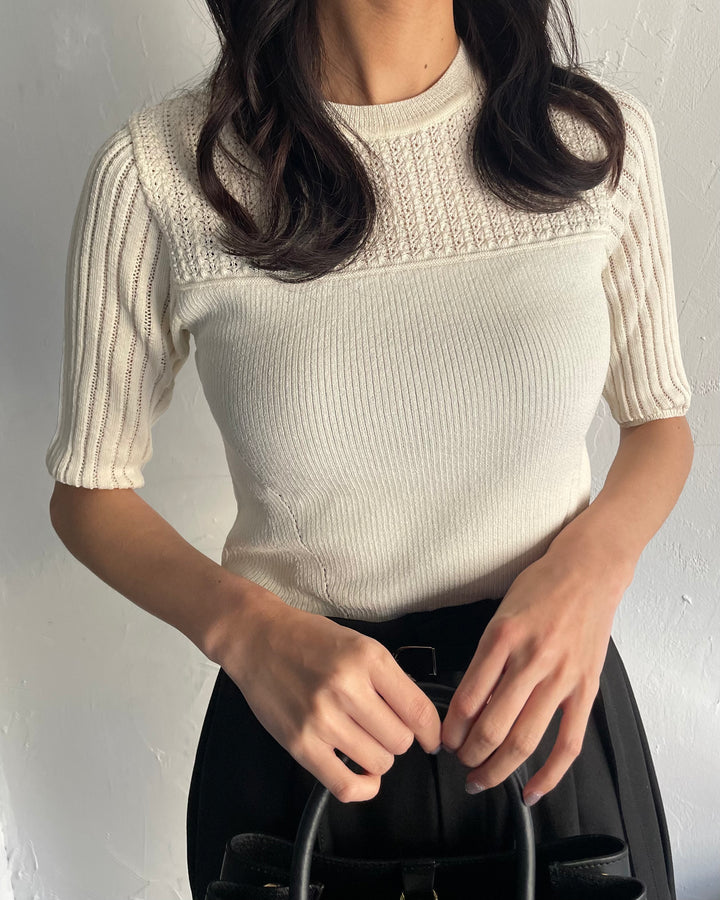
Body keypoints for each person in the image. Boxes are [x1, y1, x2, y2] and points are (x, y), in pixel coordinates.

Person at [45, 1, 694, 899]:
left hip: (549, 731)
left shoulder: (588, 140)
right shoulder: (162, 173)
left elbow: (660, 422)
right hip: (299, 742)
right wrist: (246, 631)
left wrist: (594, 567)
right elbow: (89, 492)